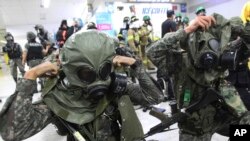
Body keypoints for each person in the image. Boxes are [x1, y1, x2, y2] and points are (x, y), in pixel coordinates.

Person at [0, 30, 164, 141]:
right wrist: (30, 77)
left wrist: (136, 66)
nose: (97, 81)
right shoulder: (60, 97)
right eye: (87, 73)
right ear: (72, 70)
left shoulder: (114, 86)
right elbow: (12, 132)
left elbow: (155, 97)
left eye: (103, 69)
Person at [147, 13, 250, 141]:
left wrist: (231, 27)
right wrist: (187, 30)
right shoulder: (178, 62)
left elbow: (246, 42)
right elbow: (151, 52)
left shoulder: (220, 53)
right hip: (194, 129)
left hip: (221, 119)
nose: (206, 50)